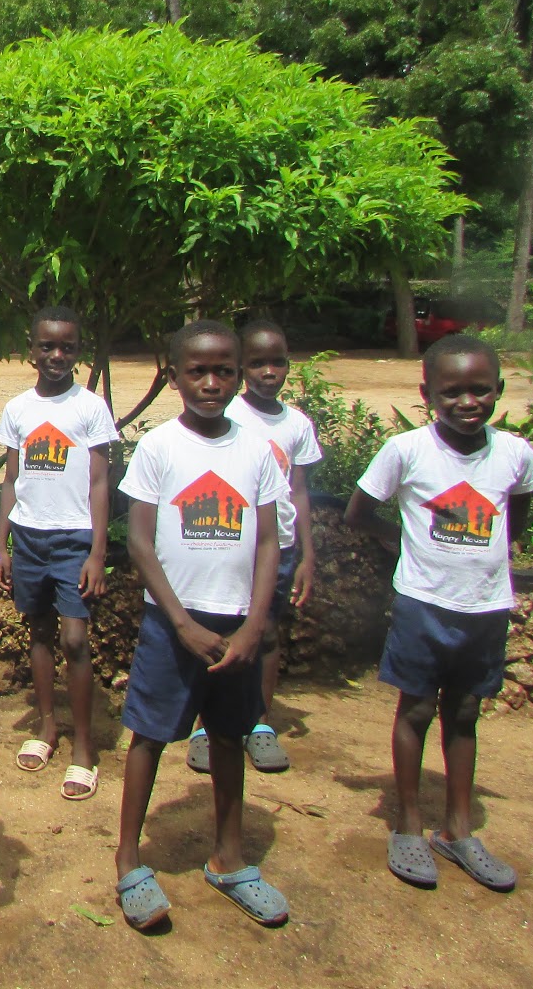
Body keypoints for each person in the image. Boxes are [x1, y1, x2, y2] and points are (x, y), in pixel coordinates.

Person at [345, 333, 533, 892]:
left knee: (464, 713)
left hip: (486, 608)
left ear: (498, 390)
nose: (467, 402)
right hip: (423, 605)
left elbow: (518, 513)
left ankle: (458, 830)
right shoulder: (407, 451)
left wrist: (495, 551)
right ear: (427, 394)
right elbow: (359, 513)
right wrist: (405, 541)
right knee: (415, 710)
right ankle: (409, 824)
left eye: (480, 390)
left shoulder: (514, 454)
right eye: (452, 392)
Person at [113, 321, 290, 930]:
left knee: (230, 737)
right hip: (172, 625)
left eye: (224, 372)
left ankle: (229, 858)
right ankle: (129, 859)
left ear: (238, 376)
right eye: (198, 372)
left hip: (236, 626)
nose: (211, 383)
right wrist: (182, 622)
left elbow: (267, 542)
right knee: (148, 737)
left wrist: (253, 627)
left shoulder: (256, 451)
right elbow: (139, 541)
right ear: (174, 376)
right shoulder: (159, 448)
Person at [0, 306, 118, 800]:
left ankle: (83, 747)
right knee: (39, 631)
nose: (57, 355)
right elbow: (11, 479)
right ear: (32, 351)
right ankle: (47, 727)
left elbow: (100, 482)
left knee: (75, 639)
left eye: (67, 347)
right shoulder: (18, 409)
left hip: (73, 540)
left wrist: (97, 552)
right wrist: (1, 543)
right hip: (28, 538)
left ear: (78, 352)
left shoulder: (90, 408)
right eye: (47, 346)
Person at [186, 321, 321, 775]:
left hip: (278, 545)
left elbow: (298, 491)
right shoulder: (229, 415)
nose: (268, 372)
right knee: (219, 628)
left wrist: (306, 553)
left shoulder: (297, 424)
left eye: (277, 362)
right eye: (258, 363)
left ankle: (259, 723)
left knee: (266, 632)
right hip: (231, 542)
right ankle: (207, 726)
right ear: (241, 368)